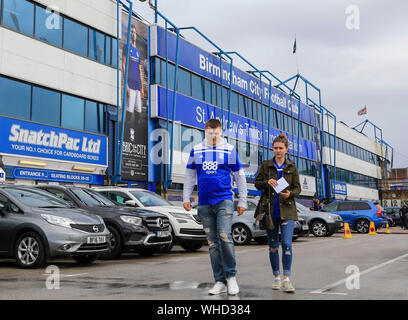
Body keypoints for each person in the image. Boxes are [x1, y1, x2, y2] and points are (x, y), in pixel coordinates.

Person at [183, 119, 248, 296]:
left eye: (216, 133)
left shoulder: (229, 150)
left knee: (224, 237)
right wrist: (186, 197)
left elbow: (240, 176)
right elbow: (190, 175)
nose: (213, 136)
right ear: (205, 132)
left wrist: (242, 201)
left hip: (224, 200)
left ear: (221, 132)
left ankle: (231, 277)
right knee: (212, 243)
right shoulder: (196, 150)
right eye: (210, 133)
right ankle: (219, 280)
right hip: (204, 202)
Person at [254, 133, 301, 293]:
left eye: (281, 148)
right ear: (272, 149)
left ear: (286, 149)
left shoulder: (292, 167)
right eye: (275, 148)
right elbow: (257, 184)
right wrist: (267, 182)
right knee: (273, 246)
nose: (278, 151)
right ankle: (276, 277)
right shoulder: (266, 165)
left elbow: (297, 188)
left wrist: (290, 194)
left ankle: (287, 279)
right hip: (269, 210)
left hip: (287, 210)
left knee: (287, 244)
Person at [122, 24, 145, 115]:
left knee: (138, 113)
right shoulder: (126, 46)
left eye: (134, 32)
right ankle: (129, 130)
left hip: (138, 87)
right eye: (131, 32)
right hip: (130, 85)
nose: (133, 34)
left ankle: (133, 130)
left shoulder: (138, 52)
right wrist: (126, 85)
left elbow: (140, 71)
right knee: (129, 111)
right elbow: (123, 65)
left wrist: (142, 88)